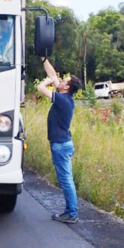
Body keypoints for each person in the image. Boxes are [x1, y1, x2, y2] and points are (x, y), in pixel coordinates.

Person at [35, 58, 83, 224]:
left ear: (67, 87)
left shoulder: (62, 100)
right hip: (63, 144)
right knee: (66, 179)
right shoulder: (64, 97)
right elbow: (52, 73)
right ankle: (70, 212)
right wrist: (44, 60)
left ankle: (72, 213)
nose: (60, 80)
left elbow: (40, 88)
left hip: (61, 146)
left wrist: (48, 81)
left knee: (66, 180)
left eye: (64, 81)